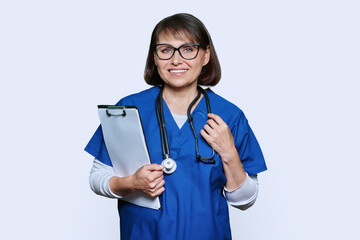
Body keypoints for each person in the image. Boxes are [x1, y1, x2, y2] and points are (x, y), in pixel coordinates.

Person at [85, 13, 267, 240]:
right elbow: (97, 177)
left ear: (206, 55)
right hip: (144, 234)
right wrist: (131, 183)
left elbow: (245, 200)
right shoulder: (129, 109)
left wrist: (229, 152)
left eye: (188, 49)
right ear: (155, 57)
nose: (176, 60)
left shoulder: (230, 115)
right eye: (165, 50)